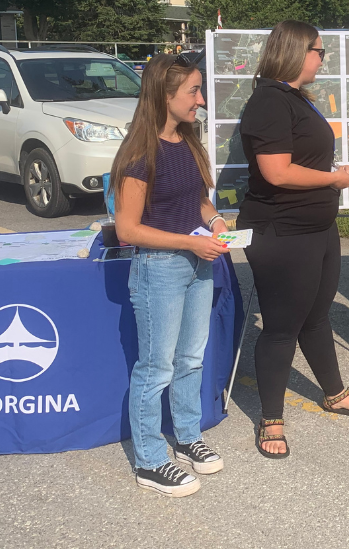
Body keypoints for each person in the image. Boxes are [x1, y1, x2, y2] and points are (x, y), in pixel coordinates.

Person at [238, 20, 349, 460]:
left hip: (317, 230)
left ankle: (334, 392)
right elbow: (276, 172)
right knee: (281, 328)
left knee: (317, 318)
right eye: (318, 50)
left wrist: (330, 181)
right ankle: (271, 418)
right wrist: (333, 179)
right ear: (297, 51)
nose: (323, 58)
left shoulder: (297, 99)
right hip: (282, 232)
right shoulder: (269, 101)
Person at [111, 53, 228, 497]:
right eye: (193, 91)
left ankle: (186, 435)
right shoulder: (140, 153)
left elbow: (197, 203)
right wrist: (191, 242)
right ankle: (149, 461)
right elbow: (128, 229)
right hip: (159, 268)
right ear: (164, 95)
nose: (200, 99)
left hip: (198, 261)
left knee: (190, 359)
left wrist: (214, 223)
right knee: (156, 367)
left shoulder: (188, 143)